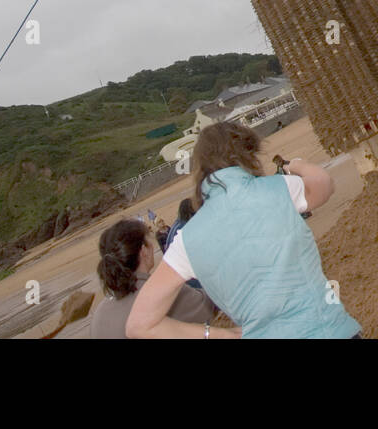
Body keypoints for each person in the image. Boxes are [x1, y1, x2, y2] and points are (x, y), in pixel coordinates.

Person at [128, 121, 360, 339]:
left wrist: (219, 334)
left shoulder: (185, 241)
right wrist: (296, 165)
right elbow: (324, 184)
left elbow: (139, 324)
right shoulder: (279, 189)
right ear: (247, 155)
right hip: (328, 329)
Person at [90, 218, 219, 339]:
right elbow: (209, 307)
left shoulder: (100, 314)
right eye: (148, 242)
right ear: (143, 251)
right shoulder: (160, 292)